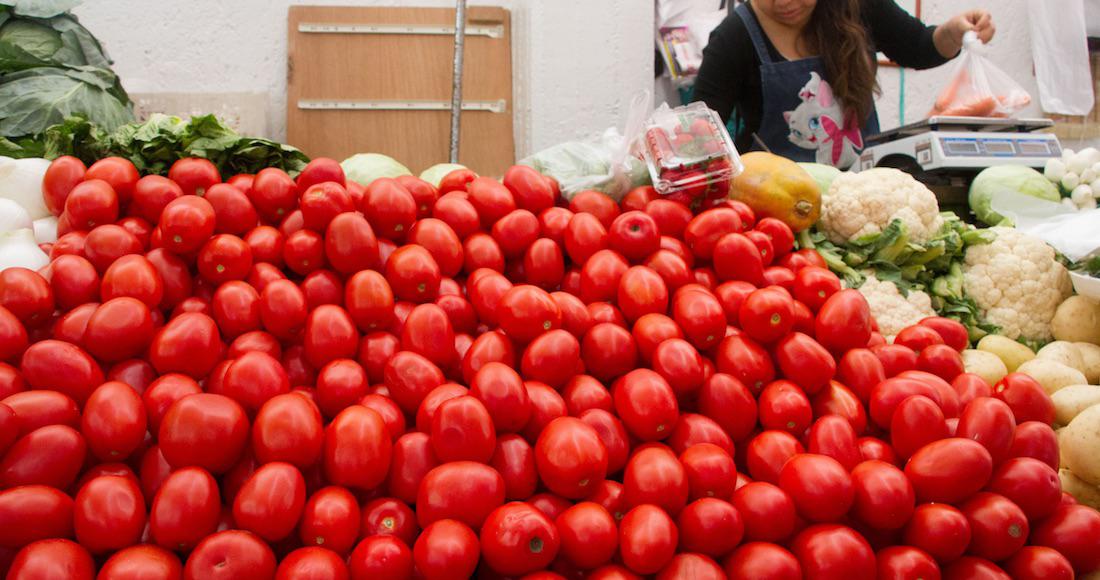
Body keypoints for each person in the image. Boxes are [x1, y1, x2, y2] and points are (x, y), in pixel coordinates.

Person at [692, 0, 995, 168]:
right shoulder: (733, 38)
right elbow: (697, 133)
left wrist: (954, 33)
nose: (785, 2)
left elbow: (918, 47)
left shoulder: (858, 6)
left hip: (864, 192)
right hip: (777, 213)